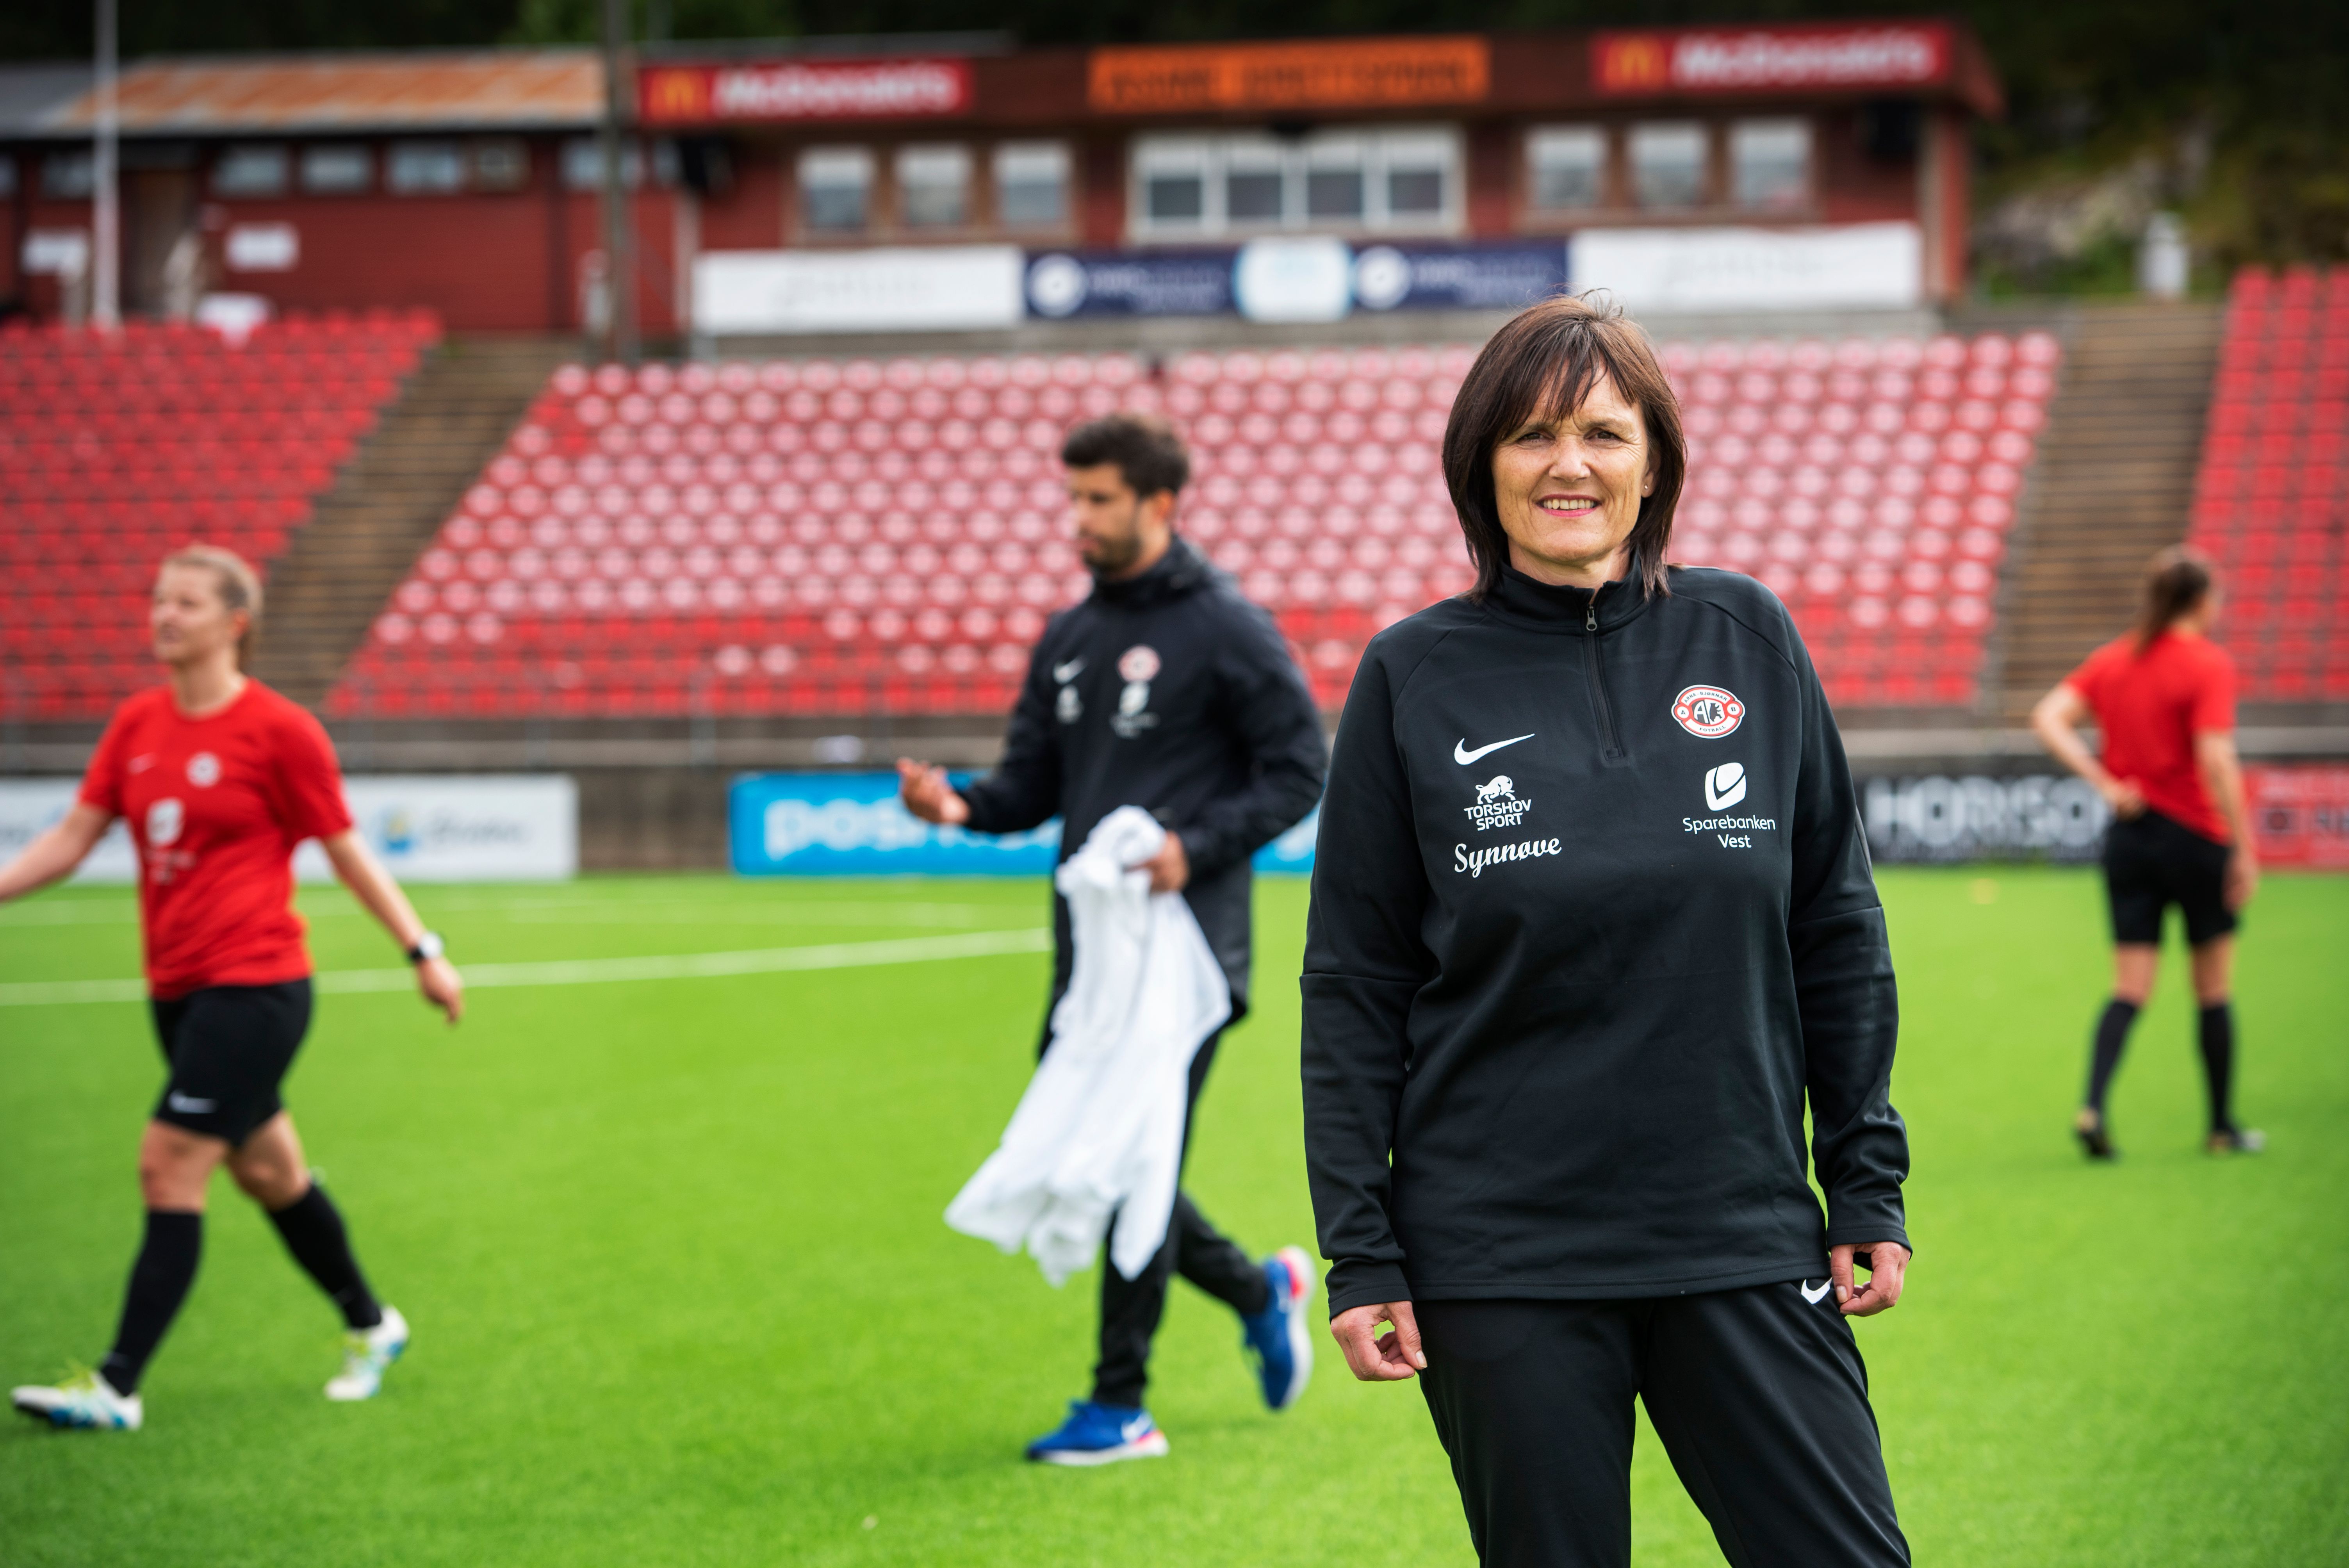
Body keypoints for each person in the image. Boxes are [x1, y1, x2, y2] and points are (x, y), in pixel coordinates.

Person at [1302, 294, 1913, 1567]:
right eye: (1530, 435)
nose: (1566, 464)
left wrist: (1862, 1175)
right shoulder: (1412, 675)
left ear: (1654, 460)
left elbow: (1835, 926)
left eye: (1600, 432)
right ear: (1481, 464)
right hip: (1500, 1255)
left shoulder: (1748, 638)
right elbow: (1354, 984)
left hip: (1739, 1227)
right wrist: (1360, 1252)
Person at [898, 413, 1328, 1464]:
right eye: (1074, 498)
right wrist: (957, 805)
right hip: (1092, 958)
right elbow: (1031, 787)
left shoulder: (1227, 627)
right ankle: (1259, 1288)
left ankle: (1118, 1404)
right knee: (1097, 1151)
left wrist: (1194, 847)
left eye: (1098, 499)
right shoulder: (1069, 637)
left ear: (1158, 503)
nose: (1079, 519)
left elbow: (1299, 768)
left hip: (1189, 957)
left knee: (1131, 1155)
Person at [6, 545, 463, 1433]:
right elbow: (71, 837)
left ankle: (115, 1386)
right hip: (176, 991)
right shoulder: (137, 723)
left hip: (256, 988)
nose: (164, 615)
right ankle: (373, 1325)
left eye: (186, 602)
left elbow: (345, 849)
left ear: (234, 623)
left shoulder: (281, 730)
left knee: (169, 1160)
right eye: (159, 599)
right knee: (269, 1172)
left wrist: (422, 949)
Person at [2032, 547, 2262, 1159]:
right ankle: (2221, 1127)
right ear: (2202, 600)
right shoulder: (2207, 663)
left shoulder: (2115, 659)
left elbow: (2049, 717)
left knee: (2129, 986)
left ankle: (2092, 1107)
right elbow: (2216, 758)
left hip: (2130, 840)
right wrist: (2244, 847)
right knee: (2212, 986)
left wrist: (2105, 783)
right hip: (2196, 837)